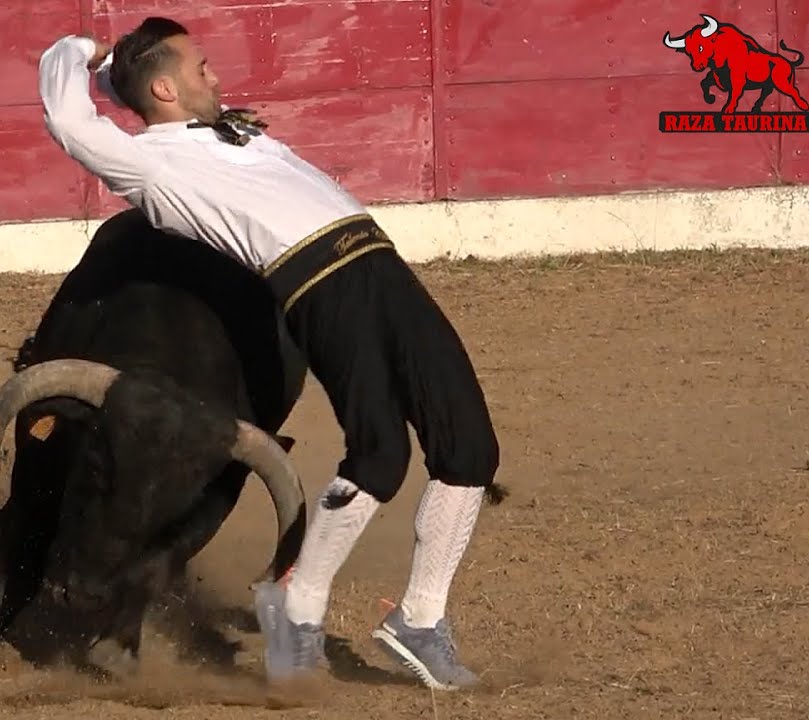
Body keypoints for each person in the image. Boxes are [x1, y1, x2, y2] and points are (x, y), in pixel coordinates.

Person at [35, 16, 504, 690]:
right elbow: (69, 115)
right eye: (201, 68)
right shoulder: (150, 165)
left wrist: (132, 75)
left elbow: (135, 84)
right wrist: (82, 49)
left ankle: (420, 618)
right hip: (317, 285)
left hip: (379, 263)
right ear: (165, 88)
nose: (216, 75)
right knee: (380, 455)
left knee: (471, 451)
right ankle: (301, 608)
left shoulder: (218, 131)